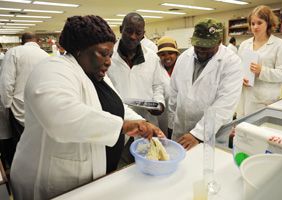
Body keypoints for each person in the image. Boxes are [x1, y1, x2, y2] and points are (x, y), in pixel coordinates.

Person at [10, 15, 165, 200]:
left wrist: (141, 122)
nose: (108, 61)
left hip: (92, 178)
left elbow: (117, 106)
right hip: (52, 182)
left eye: (110, 54)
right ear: (79, 50)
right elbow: (61, 118)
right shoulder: (52, 69)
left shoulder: (98, 74)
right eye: (102, 53)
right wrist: (123, 126)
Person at [168, 18, 243, 150]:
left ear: (220, 42)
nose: (201, 50)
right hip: (181, 129)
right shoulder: (184, 58)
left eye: (207, 46)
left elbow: (225, 104)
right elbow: (174, 92)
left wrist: (198, 134)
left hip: (213, 132)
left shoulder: (232, 62)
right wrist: (171, 124)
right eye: (198, 45)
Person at [106, 12, 165, 164]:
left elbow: (157, 85)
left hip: (146, 124)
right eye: (129, 31)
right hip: (120, 124)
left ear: (143, 34)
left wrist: (158, 103)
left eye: (138, 33)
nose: (133, 37)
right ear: (121, 29)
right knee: (119, 168)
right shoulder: (108, 56)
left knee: (147, 165)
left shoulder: (151, 57)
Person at [0, 32, 50, 165]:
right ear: (37, 41)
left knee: (21, 144)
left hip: (19, 106)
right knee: (39, 142)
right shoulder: (46, 56)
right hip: (41, 106)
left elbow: (6, 81)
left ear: (22, 41)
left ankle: (22, 170)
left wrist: (7, 105)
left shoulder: (13, 52)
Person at [237, 5, 282, 118]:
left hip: (265, 100)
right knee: (242, 129)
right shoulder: (244, 45)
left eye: (259, 23)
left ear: (268, 23)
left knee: (259, 131)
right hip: (244, 98)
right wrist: (239, 77)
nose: (255, 27)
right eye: (252, 24)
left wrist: (262, 71)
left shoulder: (279, 45)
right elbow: (237, 67)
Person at [156, 36, 181, 138]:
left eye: (170, 53)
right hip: (162, 114)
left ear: (176, 54)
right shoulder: (157, 68)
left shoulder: (182, 67)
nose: (167, 57)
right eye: (162, 54)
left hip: (180, 113)